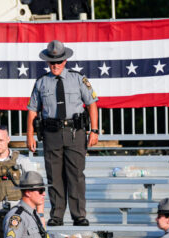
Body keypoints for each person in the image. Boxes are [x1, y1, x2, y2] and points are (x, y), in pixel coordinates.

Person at [26, 39, 100, 227]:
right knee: (54, 176)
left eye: (59, 61)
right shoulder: (42, 82)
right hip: (51, 133)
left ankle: (78, 215)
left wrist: (94, 130)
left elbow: (92, 104)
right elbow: (32, 109)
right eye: (52, 62)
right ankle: (57, 215)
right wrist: (29, 134)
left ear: (65, 61)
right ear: (47, 62)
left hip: (75, 132)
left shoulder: (78, 78)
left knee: (75, 175)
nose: (55, 65)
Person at [3, 171, 60, 238]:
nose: (44, 194)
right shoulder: (17, 217)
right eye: (41, 190)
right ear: (28, 193)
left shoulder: (33, 214)